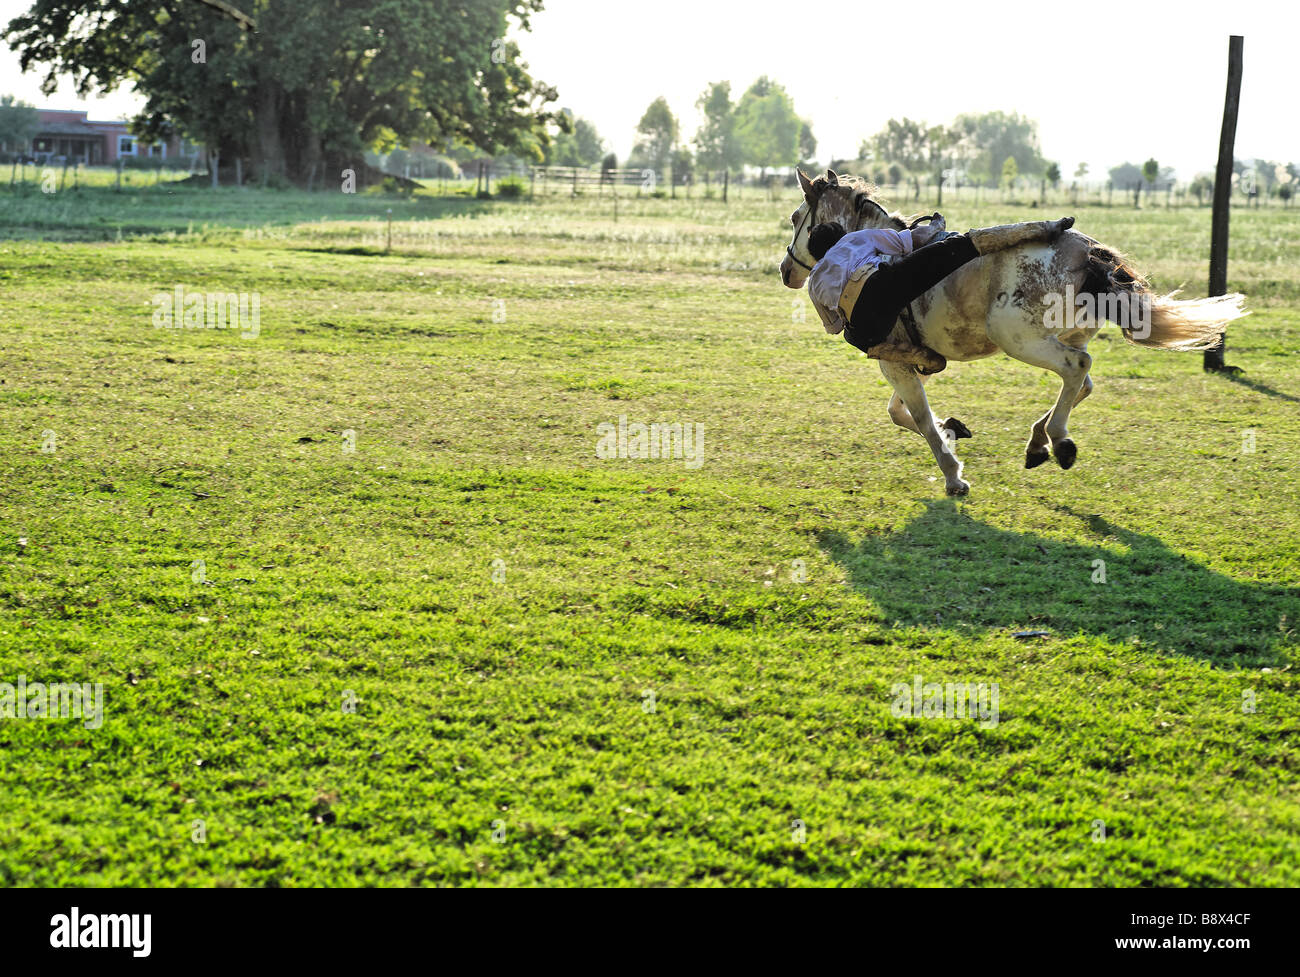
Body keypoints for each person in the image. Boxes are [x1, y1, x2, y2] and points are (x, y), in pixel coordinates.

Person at [806, 214, 1075, 373]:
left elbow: (834, 327)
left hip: (866, 329)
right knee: (959, 246)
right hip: (883, 285)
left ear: (817, 255)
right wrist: (935, 226)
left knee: (853, 337)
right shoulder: (855, 238)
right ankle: (1041, 228)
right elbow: (909, 242)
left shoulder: (814, 280)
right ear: (840, 236)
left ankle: (921, 357)